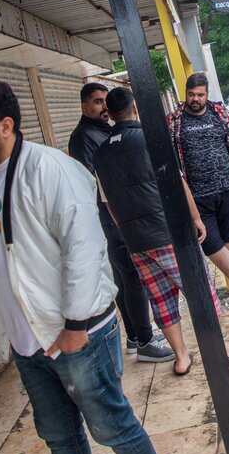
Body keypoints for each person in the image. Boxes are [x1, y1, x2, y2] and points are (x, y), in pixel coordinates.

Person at [0, 79, 157, 454]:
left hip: (78, 334)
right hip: (27, 341)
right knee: (59, 437)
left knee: (113, 427)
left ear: (5, 125)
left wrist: (75, 326)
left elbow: (84, 249)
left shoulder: (50, 169)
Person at [95, 87, 229, 376]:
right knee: (199, 289)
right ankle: (221, 348)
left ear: (110, 114)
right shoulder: (150, 139)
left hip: (136, 241)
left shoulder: (101, 153)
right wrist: (195, 217)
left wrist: (128, 234)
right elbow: (177, 182)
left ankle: (181, 358)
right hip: (167, 232)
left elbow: (108, 204)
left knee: (161, 299)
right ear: (134, 109)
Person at [67, 82, 174, 363]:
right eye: (97, 102)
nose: (104, 107)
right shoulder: (83, 138)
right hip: (113, 217)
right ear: (84, 106)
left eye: (105, 101)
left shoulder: (103, 131)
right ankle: (146, 341)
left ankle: (135, 336)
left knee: (126, 277)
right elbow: (95, 182)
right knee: (134, 277)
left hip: (118, 215)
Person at [167, 72, 229, 307]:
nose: (195, 99)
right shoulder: (174, 121)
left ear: (207, 94)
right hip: (197, 194)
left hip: (228, 186)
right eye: (191, 94)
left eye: (200, 95)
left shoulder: (220, 113)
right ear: (185, 93)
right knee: (208, 241)